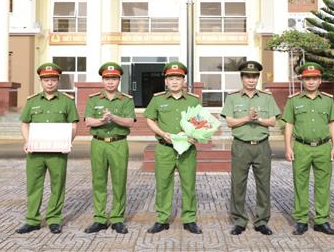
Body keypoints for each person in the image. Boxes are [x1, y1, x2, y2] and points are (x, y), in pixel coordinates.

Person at [16, 63, 78, 234]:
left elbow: (73, 125)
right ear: (41, 82)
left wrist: (68, 141)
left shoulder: (67, 101)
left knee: (57, 185)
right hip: (35, 152)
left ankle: (54, 219)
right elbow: (24, 123)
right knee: (34, 185)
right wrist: (28, 141)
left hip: (58, 152)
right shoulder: (32, 101)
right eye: (46, 80)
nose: (49, 83)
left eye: (53, 80)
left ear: (58, 81)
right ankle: (32, 220)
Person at [221, 60, 281, 236]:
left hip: (262, 146)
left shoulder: (266, 97)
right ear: (241, 78)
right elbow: (230, 122)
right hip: (241, 146)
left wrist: (258, 120)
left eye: (254, 77)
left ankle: (262, 221)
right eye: (248, 76)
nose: (251, 80)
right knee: (238, 184)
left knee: (263, 185)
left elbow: (273, 120)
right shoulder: (232, 97)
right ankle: (239, 220)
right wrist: (247, 118)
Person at [282, 62, 334, 236]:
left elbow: (332, 124)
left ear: (320, 80)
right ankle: (301, 220)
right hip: (301, 147)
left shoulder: (328, 100)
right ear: (302, 80)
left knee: (323, 185)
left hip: (323, 147)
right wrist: (288, 147)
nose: (311, 82)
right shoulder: (294, 101)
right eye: (307, 78)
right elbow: (289, 125)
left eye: (314, 78)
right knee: (300, 184)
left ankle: (322, 221)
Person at [144, 61, 202, 234]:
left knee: (188, 184)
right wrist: (162, 133)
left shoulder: (193, 99)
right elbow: (149, 119)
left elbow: (200, 122)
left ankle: (189, 219)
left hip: (187, 149)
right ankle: (162, 219)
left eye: (178, 78)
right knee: (163, 184)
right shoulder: (157, 99)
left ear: (183, 80)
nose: (175, 81)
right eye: (171, 78)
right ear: (166, 82)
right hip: (165, 148)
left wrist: (196, 136)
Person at [84, 62, 136, 234]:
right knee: (98, 180)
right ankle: (99, 218)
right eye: (107, 78)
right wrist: (102, 121)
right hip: (98, 142)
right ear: (102, 80)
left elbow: (129, 121)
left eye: (114, 78)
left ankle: (117, 218)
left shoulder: (126, 100)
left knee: (119, 181)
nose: (110, 82)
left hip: (118, 142)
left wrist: (113, 117)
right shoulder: (94, 99)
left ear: (119, 80)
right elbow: (87, 121)